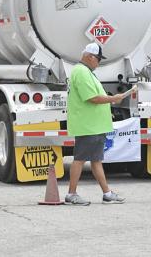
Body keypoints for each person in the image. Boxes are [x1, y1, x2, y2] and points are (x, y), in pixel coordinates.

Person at [65, 43, 128, 205]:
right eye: (98, 59)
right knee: (80, 159)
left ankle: (107, 193)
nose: (98, 62)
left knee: (96, 160)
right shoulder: (82, 72)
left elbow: (95, 96)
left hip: (95, 125)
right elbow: (92, 98)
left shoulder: (86, 72)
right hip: (88, 126)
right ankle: (71, 194)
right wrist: (114, 98)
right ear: (90, 56)